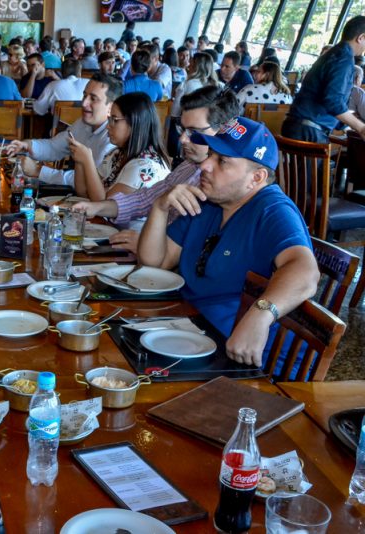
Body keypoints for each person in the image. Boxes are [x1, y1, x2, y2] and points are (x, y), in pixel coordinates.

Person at [137, 117, 319, 372]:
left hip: (247, 364)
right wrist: (159, 207)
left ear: (256, 178)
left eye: (222, 161)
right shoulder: (208, 200)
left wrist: (259, 316)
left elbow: (306, 272)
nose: (205, 166)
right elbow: (155, 262)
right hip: (192, 333)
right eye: (210, 154)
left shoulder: (272, 209)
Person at [72, 86, 240, 252]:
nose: (182, 139)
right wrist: (97, 207)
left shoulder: (224, 184)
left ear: (224, 130)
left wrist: (148, 244)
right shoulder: (188, 166)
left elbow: (195, 247)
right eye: (182, 129)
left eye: (194, 132)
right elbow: (145, 199)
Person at [7, 73, 122, 187]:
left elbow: (90, 182)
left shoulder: (112, 139)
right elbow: (54, 147)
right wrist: (27, 145)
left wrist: (38, 171)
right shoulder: (82, 123)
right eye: (84, 95)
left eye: (93, 99)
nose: (84, 103)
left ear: (111, 107)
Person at [70, 92, 170, 209]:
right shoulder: (117, 153)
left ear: (134, 123)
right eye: (109, 119)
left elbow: (101, 206)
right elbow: (83, 192)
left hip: (132, 228)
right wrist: (79, 160)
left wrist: (88, 161)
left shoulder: (145, 166)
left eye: (115, 120)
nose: (108, 126)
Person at [282, 16, 365, 143]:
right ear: (361, 38)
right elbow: (333, 101)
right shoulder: (343, 58)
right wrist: (361, 127)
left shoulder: (334, 53)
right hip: (309, 131)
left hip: (298, 126)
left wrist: (345, 122)